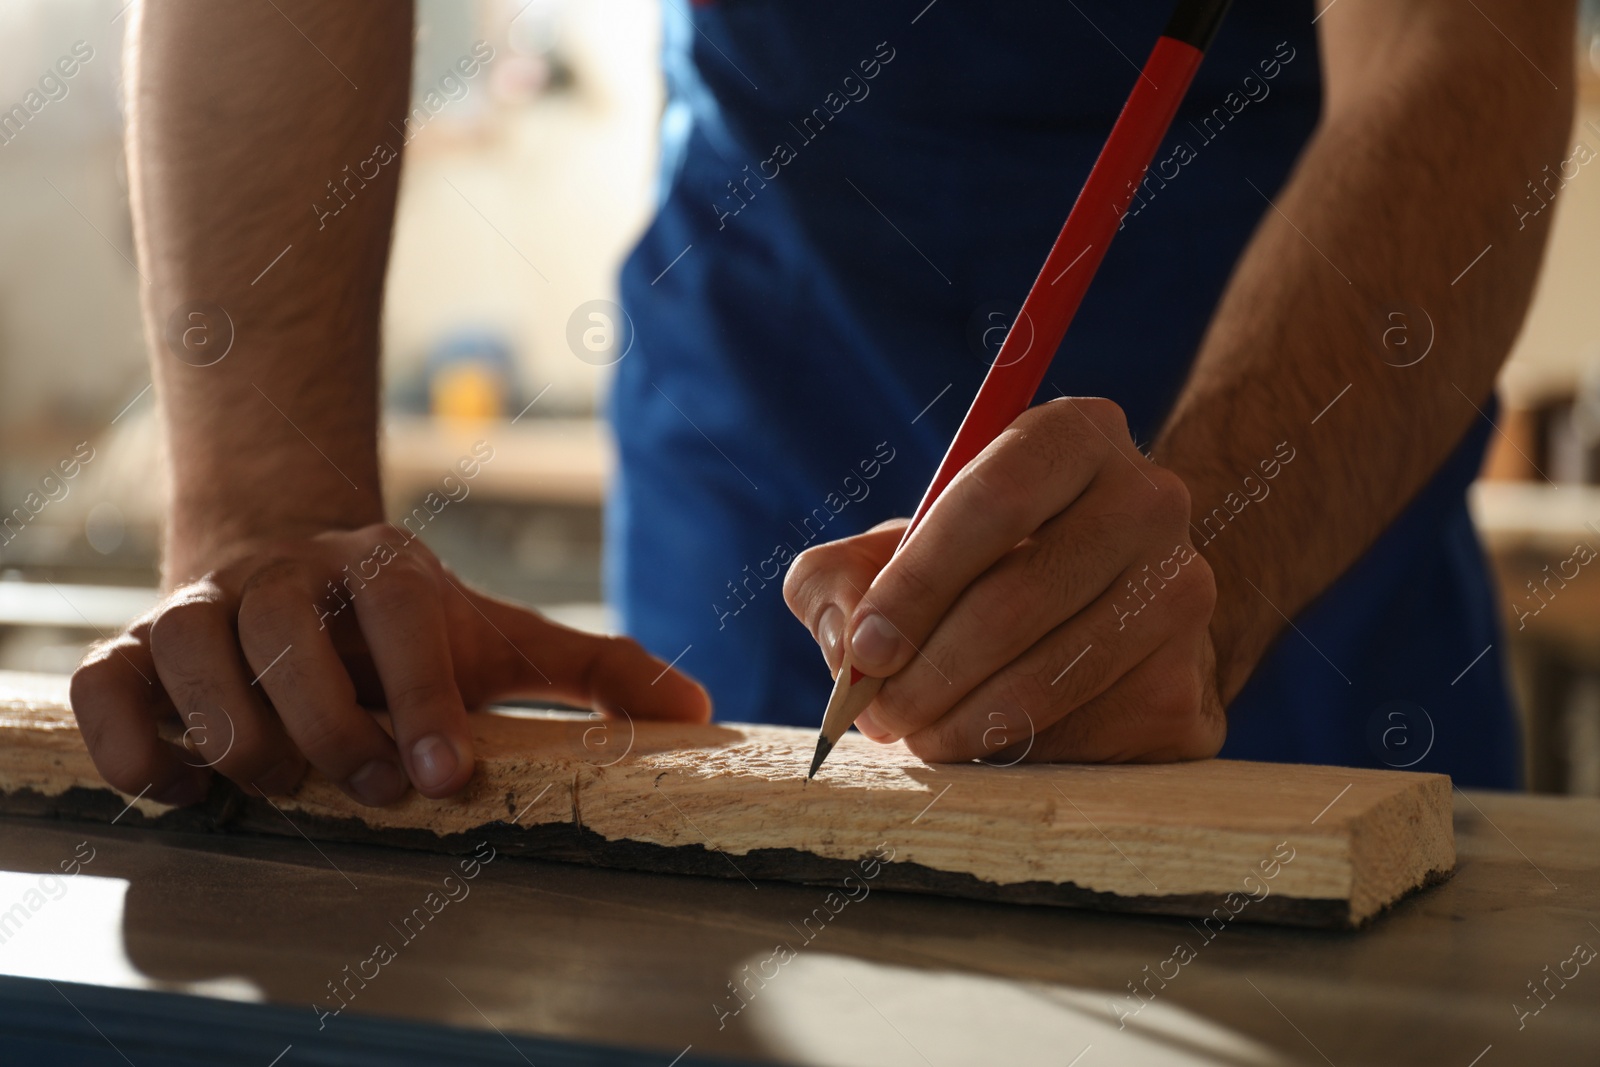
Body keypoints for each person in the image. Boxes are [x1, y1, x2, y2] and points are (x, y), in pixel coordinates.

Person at [71, 0, 1572, 809]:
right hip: (759, 401)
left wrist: (1215, 566)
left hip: (1292, 474)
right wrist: (268, 516)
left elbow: (1467, 45)